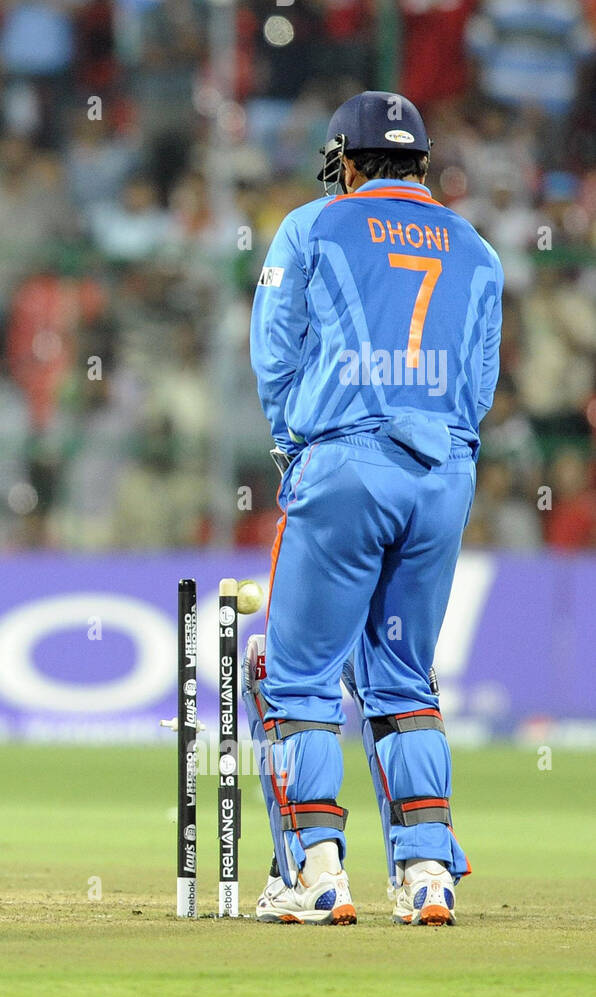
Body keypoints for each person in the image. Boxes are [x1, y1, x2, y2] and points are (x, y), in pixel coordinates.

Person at [244, 92, 502, 926]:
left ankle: (316, 872)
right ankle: (428, 875)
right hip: (443, 474)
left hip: (346, 465)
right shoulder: (481, 252)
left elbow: (275, 353)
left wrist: (300, 446)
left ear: (347, 164)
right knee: (402, 680)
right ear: (421, 167)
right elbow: (482, 385)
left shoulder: (313, 226)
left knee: (297, 679)